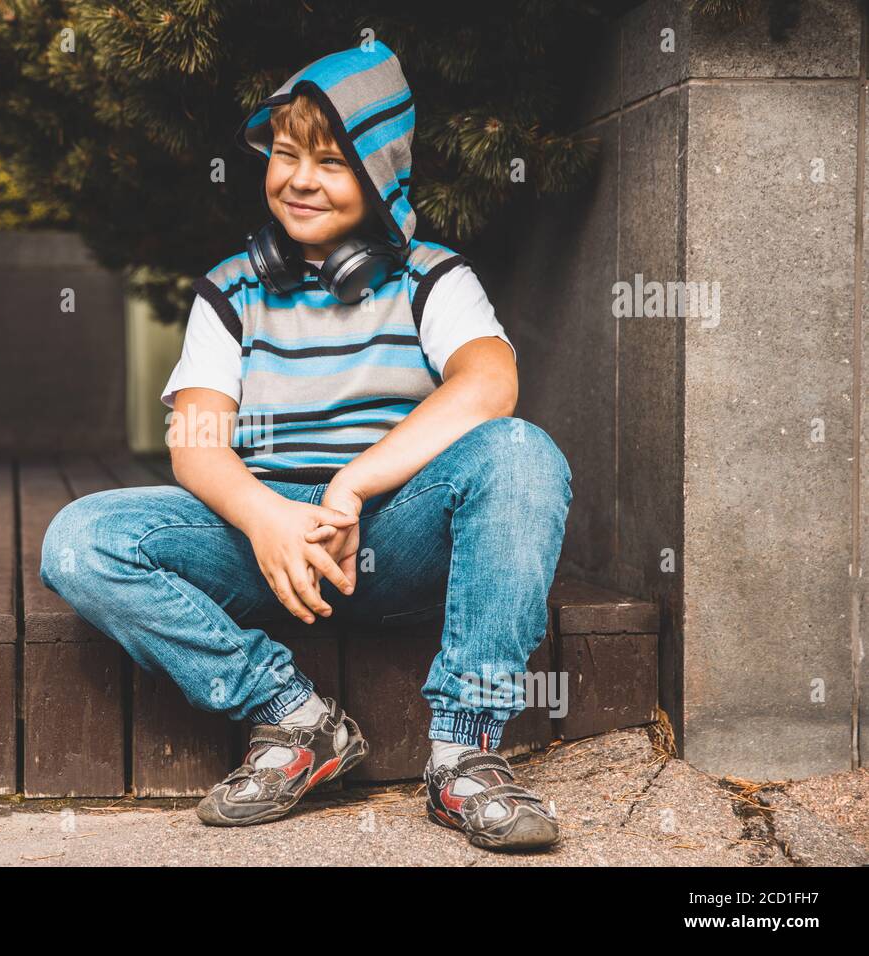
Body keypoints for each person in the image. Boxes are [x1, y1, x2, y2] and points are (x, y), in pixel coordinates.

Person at [40, 40, 572, 851]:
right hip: (266, 545)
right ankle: (294, 718)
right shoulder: (231, 289)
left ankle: (466, 755)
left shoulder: (434, 279)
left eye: (331, 163)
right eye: (285, 155)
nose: (298, 179)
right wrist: (264, 517)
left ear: (382, 177)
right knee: (80, 541)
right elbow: (196, 444)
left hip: (394, 539)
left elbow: (490, 385)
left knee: (522, 453)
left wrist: (352, 486)